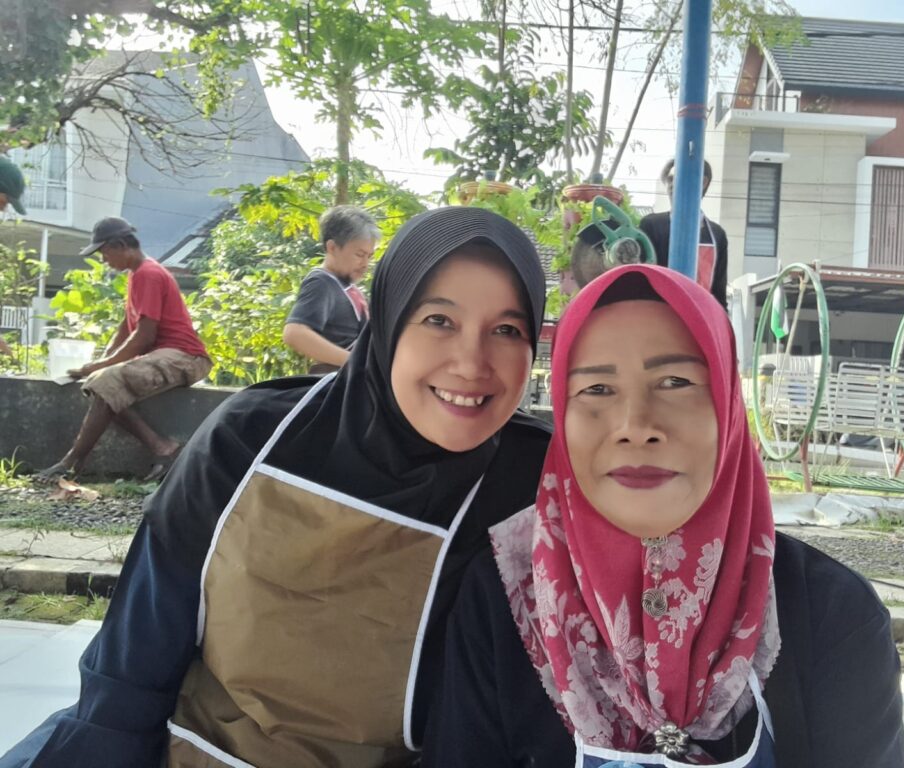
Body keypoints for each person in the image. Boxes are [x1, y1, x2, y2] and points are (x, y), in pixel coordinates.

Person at [0, 206, 551, 768]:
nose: (472, 362)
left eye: (507, 330)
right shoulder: (255, 438)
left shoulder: (530, 486)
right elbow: (135, 659)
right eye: (439, 320)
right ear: (389, 321)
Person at [425, 265, 904, 768]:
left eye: (676, 382)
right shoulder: (502, 598)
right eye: (596, 389)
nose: (636, 426)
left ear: (728, 405)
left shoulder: (830, 611)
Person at [35, 217, 211, 482]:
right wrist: (100, 362)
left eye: (104, 252)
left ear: (120, 245)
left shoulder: (149, 274)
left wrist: (100, 366)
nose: (104, 260)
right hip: (170, 356)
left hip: (186, 357)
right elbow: (127, 328)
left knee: (106, 380)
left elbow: (144, 337)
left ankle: (71, 462)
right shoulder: (137, 274)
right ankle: (164, 448)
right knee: (102, 385)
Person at [283, 205, 379, 373]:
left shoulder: (346, 286)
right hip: (338, 381)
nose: (365, 264)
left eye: (369, 256)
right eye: (359, 254)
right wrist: (355, 363)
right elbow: (294, 333)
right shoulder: (321, 282)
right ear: (332, 247)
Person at [639, 160, 729, 310]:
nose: (672, 184)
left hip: (699, 317)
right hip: (658, 316)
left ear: (703, 182)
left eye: (679, 177)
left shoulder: (717, 235)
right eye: (669, 179)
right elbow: (639, 283)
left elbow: (719, 296)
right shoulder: (651, 225)